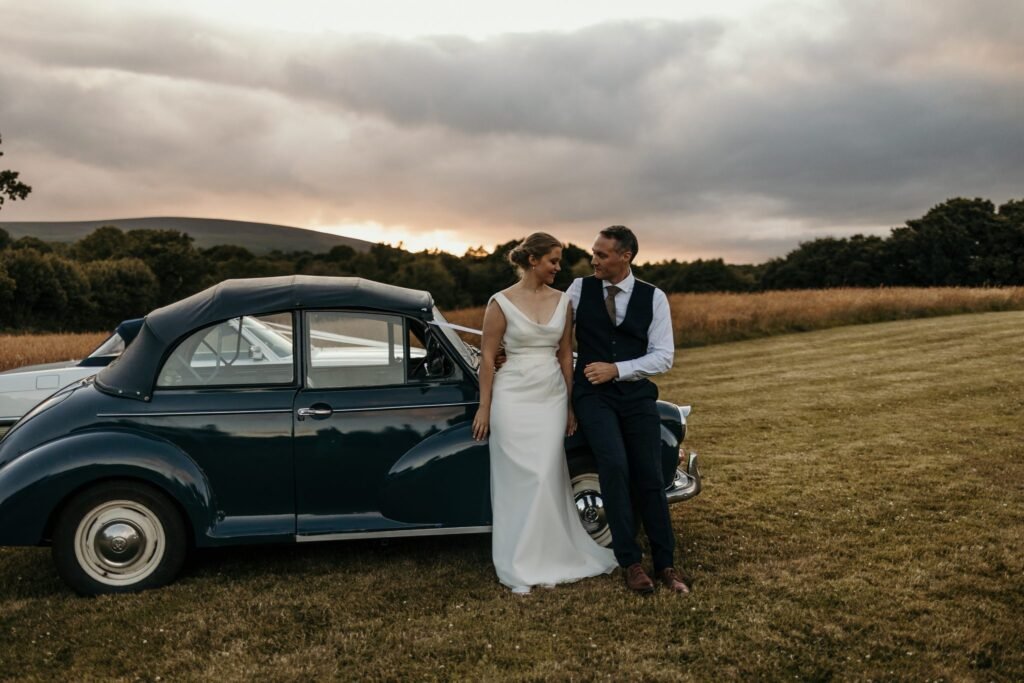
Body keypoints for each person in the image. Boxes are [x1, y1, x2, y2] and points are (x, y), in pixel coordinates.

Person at [472, 232, 617, 594]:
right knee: (519, 477)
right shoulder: (500, 303)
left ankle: (554, 551)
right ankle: (519, 557)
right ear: (533, 260)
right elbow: (487, 358)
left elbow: (566, 355)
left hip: (551, 396)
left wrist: (569, 405)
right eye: (553, 260)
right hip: (511, 397)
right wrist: (484, 408)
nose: (558, 267)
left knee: (546, 473)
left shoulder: (564, 301)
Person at [567, 225, 690, 594]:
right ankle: (631, 563)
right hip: (592, 395)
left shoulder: (654, 297)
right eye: (594, 253)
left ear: (626, 256)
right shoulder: (578, 289)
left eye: (602, 255)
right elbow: (550, 333)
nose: (594, 260)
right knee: (614, 466)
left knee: (650, 475)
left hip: (636, 395)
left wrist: (618, 369)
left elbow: (663, 356)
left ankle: (666, 564)